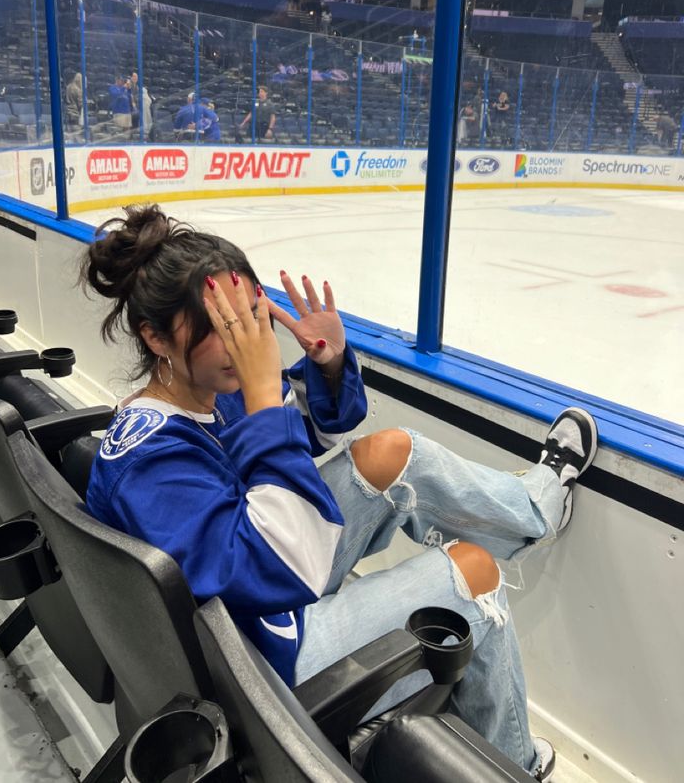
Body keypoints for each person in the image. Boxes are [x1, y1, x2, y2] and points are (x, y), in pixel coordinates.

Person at [82, 204, 600, 782]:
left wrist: (324, 370)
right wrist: (259, 389)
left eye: (252, 317)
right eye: (222, 327)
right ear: (155, 337)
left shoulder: (203, 392)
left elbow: (306, 440)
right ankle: (518, 764)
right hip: (261, 659)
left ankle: (533, 511)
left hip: (256, 598)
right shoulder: (153, 463)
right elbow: (287, 564)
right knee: (473, 576)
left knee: (392, 452)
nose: (247, 343)